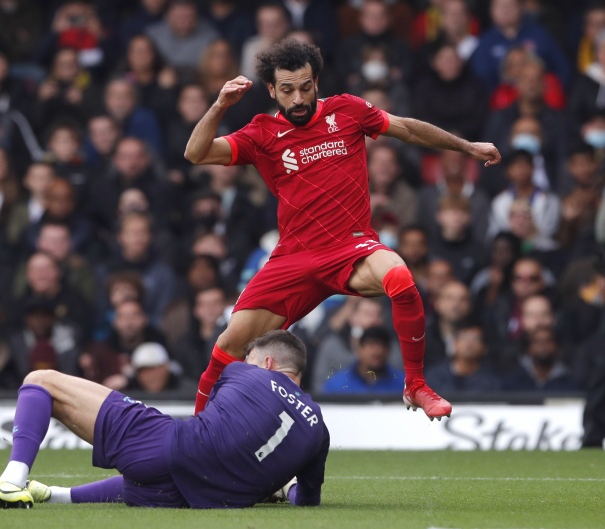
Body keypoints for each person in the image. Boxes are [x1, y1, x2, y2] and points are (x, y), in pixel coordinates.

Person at [184, 38, 501, 418]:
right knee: (229, 344)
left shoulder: (347, 110)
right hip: (294, 258)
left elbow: (407, 129)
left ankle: (416, 385)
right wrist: (220, 105)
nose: (298, 98)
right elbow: (195, 153)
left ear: (316, 82)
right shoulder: (262, 133)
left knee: (401, 278)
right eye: (287, 90)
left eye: (306, 87)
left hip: (351, 248)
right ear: (271, 90)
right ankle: (196, 432)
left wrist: (467, 147)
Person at [0, 330, 328, 509]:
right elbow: (308, 500)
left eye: (252, 360)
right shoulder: (318, 431)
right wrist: (281, 487)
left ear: (267, 363)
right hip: (196, 497)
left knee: (41, 381)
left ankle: (11, 482)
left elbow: (213, 424)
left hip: (169, 447)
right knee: (160, 475)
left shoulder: (241, 372)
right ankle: (55, 496)